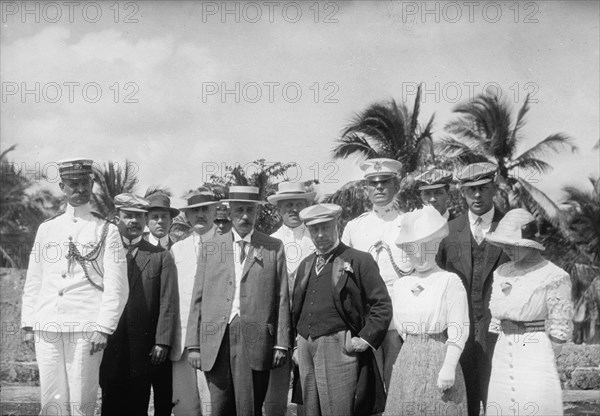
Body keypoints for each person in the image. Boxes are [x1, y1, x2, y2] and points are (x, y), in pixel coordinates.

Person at [20, 158, 128, 416]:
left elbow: (117, 286)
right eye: (73, 184)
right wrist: (28, 323)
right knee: (51, 401)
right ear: (62, 186)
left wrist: (103, 327)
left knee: (82, 401)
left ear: (92, 185)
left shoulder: (106, 230)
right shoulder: (47, 229)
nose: (80, 189)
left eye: (85, 183)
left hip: (86, 326)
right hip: (47, 324)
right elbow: (34, 279)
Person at [186, 186, 291, 416]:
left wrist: (281, 342)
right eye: (239, 210)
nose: (244, 216)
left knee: (249, 407)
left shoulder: (273, 247)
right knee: (220, 407)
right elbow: (198, 296)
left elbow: (282, 297)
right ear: (230, 211)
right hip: (216, 338)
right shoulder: (211, 246)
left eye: (250, 210)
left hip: (255, 338)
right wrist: (193, 345)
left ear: (257, 212)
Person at [293, 203, 392, 416]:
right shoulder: (306, 264)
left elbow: (381, 304)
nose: (320, 235)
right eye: (314, 230)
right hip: (305, 345)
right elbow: (296, 307)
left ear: (336, 225)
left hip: (338, 346)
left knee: (338, 410)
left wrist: (365, 339)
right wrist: (296, 344)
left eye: (325, 227)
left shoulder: (358, 260)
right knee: (310, 409)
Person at [436, 162, 510, 416]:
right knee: (460, 403)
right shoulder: (449, 232)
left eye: (483, 188)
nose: (477, 195)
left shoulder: (512, 227)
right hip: (458, 333)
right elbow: (440, 282)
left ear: (494, 189)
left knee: (498, 401)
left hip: (499, 333)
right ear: (462, 193)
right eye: (471, 190)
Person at [484, 208, 572, 416]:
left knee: (534, 402)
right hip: (503, 347)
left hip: (534, 348)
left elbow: (560, 327)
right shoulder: (502, 272)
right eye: (504, 244)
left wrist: (543, 355)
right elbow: (496, 318)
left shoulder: (554, 276)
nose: (507, 249)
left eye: (513, 244)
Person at [385, 206, 469, 415]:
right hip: (407, 360)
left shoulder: (449, 281)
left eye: (426, 247)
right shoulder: (402, 285)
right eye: (413, 249)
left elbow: (459, 328)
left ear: (435, 246)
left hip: (440, 358)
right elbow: (402, 330)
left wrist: (449, 366)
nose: (420, 255)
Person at [100, 193, 179, 416]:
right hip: (109, 344)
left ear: (145, 220)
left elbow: (167, 302)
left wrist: (162, 342)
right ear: (118, 218)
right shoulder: (105, 252)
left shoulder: (160, 256)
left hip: (143, 349)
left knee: (137, 404)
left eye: (138, 216)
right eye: (128, 216)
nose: (133, 221)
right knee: (110, 404)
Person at [341, 158, 413, 391]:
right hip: (365, 318)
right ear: (366, 189)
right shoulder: (354, 227)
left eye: (385, 182)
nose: (379, 187)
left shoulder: (409, 222)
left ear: (396, 185)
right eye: (374, 183)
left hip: (399, 318)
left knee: (396, 385)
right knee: (367, 388)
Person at [265, 181, 316, 416]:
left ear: (307, 205)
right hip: (279, 325)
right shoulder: (269, 243)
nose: (294, 209)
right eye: (288, 205)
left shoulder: (318, 239)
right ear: (279, 209)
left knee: (309, 389)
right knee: (276, 389)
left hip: (312, 323)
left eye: (299, 204)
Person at [170, 188, 219, 416]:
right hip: (181, 343)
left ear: (215, 211)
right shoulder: (177, 250)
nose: (200, 215)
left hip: (214, 342)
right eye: (195, 211)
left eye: (205, 210)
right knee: (185, 408)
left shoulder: (227, 246)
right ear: (187, 216)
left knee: (212, 406)